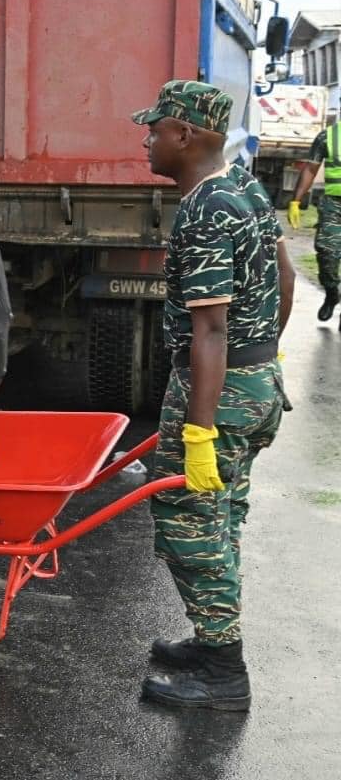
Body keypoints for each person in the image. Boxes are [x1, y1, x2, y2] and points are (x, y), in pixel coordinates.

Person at [131, 80, 292, 712]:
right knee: (222, 520)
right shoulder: (245, 185)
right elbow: (285, 274)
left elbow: (210, 328)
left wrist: (199, 429)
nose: (147, 140)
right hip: (254, 387)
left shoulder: (204, 209)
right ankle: (211, 639)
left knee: (190, 524)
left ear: (185, 135)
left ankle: (223, 672)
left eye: (154, 129)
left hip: (218, 395)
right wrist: (264, 361)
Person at [287, 116, 340, 321]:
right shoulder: (329, 136)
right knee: (327, 253)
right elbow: (310, 169)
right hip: (334, 206)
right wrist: (295, 201)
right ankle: (332, 293)